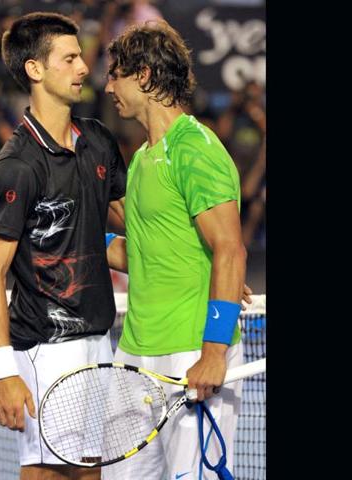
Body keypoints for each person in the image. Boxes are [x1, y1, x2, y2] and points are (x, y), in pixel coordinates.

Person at [0, 12, 127, 480]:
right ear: (35, 70)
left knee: (88, 474)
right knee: (47, 474)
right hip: (45, 350)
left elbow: (131, 235)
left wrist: (200, 267)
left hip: (98, 339)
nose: (84, 67)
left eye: (81, 56)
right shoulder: (18, 165)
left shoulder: (99, 142)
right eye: (71, 57)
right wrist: (3, 373)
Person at [103, 20, 248, 479]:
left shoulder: (196, 149)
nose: (107, 87)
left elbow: (229, 250)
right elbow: (142, 252)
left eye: (115, 75)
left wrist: (214, 351)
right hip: (135, 356)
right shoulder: (144, 158)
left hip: (191, 355)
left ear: (143, 76)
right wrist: (69, 241)